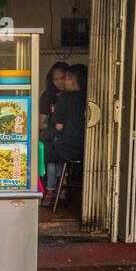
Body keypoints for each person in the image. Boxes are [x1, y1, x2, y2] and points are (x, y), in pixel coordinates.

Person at [49, 63, 88, 191]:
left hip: (68, 149)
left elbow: (59, 127)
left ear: (72, 80)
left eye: (65, 78)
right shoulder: (90, 97)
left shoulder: (64, 98)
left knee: (48, 150)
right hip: (88, 149)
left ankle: (53, 189)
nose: (63, 82)